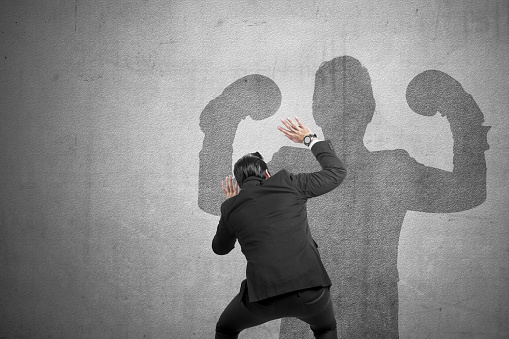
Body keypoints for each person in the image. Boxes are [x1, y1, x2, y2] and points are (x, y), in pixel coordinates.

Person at [212, 117, 347, 339]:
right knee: (325, 329)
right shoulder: (289, 183)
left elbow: (220, 248)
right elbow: (336, 172)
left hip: (264, 297)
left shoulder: (231, 208)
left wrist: (230, 205)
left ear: (238, 184)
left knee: (225, 329)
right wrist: (309, 139)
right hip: (311, 290)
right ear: (266, 174)